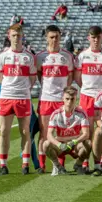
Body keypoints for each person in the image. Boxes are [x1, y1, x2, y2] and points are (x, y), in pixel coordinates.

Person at [0, 24, 37, 175]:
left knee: (25, 131)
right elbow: (0, 78)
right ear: (9, 36)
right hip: (6, 97)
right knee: (4, 131)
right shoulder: (3, 56)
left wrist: (23, 89)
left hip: (23, 98)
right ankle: (3, 164)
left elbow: (32, 79)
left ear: (22, 36)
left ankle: (25, 164)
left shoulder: (29, 57)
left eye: (19, 35)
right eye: (13, 35)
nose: (16, 38)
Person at [75, 25, 102, 170]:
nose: (96, 40)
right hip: (87, 97)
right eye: (93, 37)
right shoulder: (82, 56)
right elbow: (78, 78)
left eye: (98, 37)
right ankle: (85, 162)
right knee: (87, 131)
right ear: (89, 38)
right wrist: (87, 89)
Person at [36, 25, 75, 173]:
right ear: (46, 38)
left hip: (61, 100)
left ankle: (59, 165)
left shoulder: (67, 56)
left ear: (61, 37)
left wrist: (64, 93)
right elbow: (40, 76)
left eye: (57, 37)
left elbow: (70, 77)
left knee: (61, 133)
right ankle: (42, 165)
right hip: (46, 99)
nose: (54, 40)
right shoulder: (40, 57)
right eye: (51, 37)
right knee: (44, 132)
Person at [43, 86, 91, 176]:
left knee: (88, 143)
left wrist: (74, 142)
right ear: (63, 99)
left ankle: (78, 164)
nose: (69, 102)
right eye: (67, 99)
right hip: (61, 146)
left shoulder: (81, 113)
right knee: (46, 144)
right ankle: (58, 166)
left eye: (72, 99)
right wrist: (59, 145)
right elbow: (49, 134)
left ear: (76, 99)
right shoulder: (56, 114)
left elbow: (86, 134)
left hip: (75, 145)